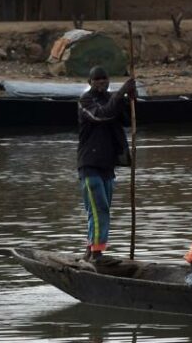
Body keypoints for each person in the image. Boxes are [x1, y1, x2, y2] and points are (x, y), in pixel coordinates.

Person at [77, 66, 136, 265]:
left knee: (102, 210)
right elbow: (102, 115)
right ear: (90, 82)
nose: (101, 82)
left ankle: (90, 250)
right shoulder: (85, 101)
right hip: (89, 165)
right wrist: (121, 94)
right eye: (97, 79)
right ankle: (97, 254)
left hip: (107, 166)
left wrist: (130, 99)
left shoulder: (112, 99)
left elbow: (126, 120)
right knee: (98, 209)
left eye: (104, 78)